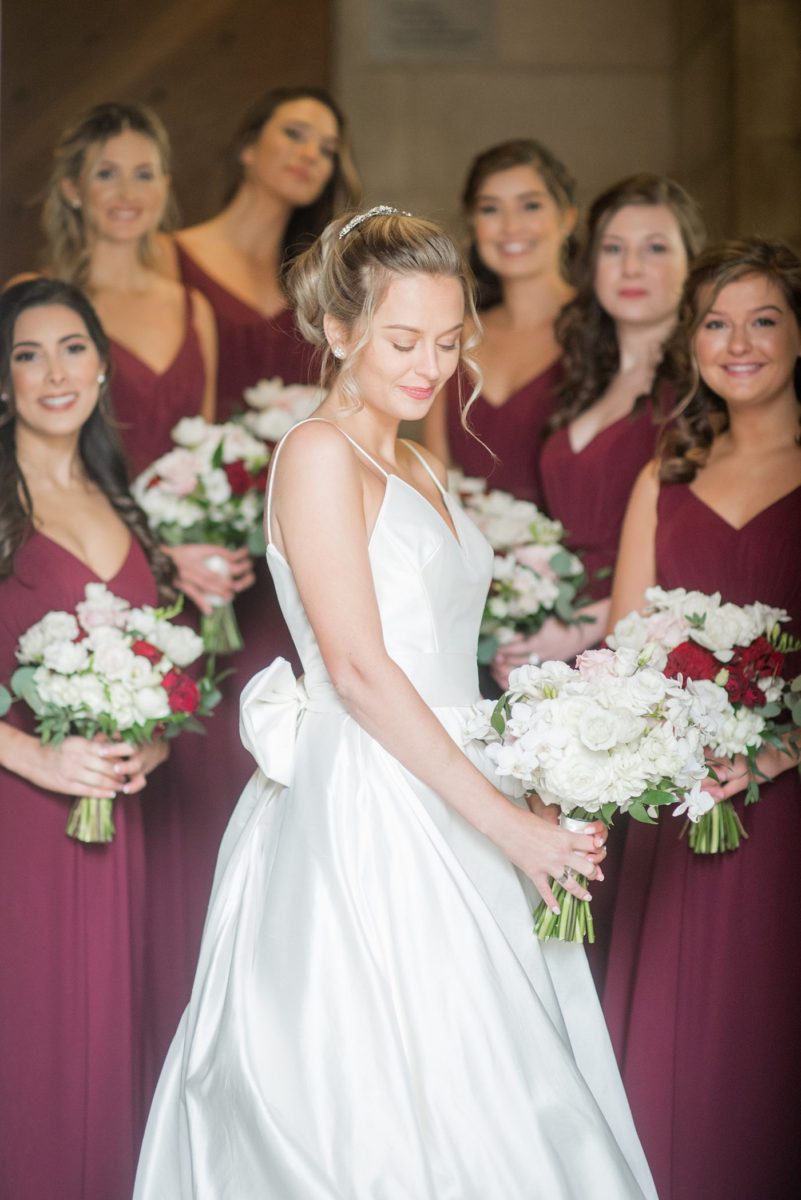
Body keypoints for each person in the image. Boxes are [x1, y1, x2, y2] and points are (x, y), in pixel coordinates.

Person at [134, 208, 656, 1199]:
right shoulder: (318, 454)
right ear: (339, 331)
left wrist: (532, 785)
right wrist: (512, 827)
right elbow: (364, 670)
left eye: (451, 340)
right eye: (404, 340)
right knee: (386, 1095)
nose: (431, 366)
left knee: (504, 1082)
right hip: (371, 805)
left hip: (461, 774)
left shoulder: (418, 457)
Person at [604, 239, 801, 1200]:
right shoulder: (663, 476)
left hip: (785, 809)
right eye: (716, 323)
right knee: (675, 1056)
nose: (738, 342)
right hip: (678, 805)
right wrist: (674, 745)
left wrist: (774, 753)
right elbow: (624, 643)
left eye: (762, 319)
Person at [0, 279, 172, 1200]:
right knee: (32, 1049)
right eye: (27, 354)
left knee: (105, 1046)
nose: (53, 372)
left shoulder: (123, 500)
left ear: (102, 367)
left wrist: (153, 746)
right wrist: (35, 756)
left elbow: (164, 674)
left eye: (71, 348)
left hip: (114, 819)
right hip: (20, 819)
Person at [492, 173, 706, 686]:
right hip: (554, 642)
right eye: (613, 248)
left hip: (638, 652)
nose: (631, 267)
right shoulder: (582, 383)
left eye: (654, 248)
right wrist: (523, 622)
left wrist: (579, 628)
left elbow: (696, 554)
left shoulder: (700, 393)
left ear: (692, 264)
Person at [159, 85, 361, 416]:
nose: (311, 154)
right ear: (248, 148)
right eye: (295, 134)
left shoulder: (321, 282)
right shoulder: (169, 256)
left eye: (327, 150)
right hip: (191, 463)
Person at [423, 138, 576, 503]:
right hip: (466, 552)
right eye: (491, 210)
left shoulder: (602, 330)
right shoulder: (452, 333)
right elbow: (434, 479)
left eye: (531, 206)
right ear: (474, 225)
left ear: (567, 218)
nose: (510, 226)